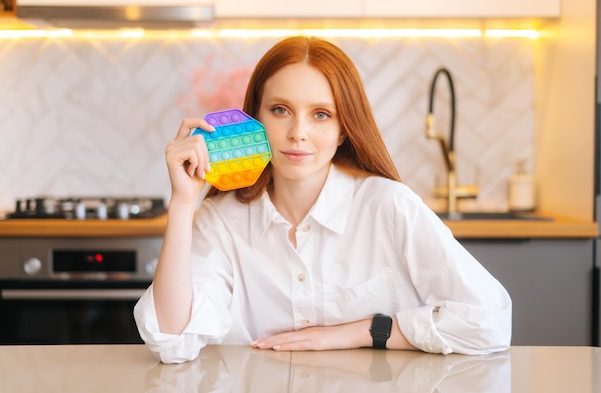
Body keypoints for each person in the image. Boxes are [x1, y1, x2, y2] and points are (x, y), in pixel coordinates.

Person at [134, 36, 512, 364]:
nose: (298, 133)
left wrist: (361, 332)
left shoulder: (389, 206)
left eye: (320, 114)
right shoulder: (221, 219)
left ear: (343, 130)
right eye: (280, 110)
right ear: (255, 119)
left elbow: (489, 321)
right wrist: (183, 204)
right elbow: (172, 341)